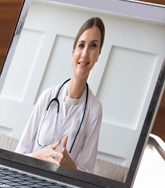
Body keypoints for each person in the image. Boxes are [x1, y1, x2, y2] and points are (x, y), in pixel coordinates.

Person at [15, 17, 105, 174]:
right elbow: (18, 155)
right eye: (81, 45)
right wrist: (38, 156)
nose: (85, 53)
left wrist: (71, 168)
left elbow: (87, 173)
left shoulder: (95, 109)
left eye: (93, 46)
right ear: (73, 53)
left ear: (98, 55)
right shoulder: (47, 96)